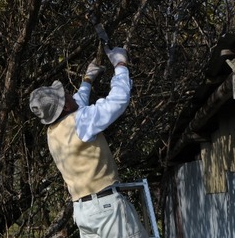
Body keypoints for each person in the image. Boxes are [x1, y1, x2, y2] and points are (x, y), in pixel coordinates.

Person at [29, 45, 148, 238]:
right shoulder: (81, 120)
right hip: (107, 209)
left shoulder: (53, 132)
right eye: (66, 94)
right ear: (66, 106)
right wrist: (120, 64)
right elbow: (118, 100)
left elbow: (77, 101)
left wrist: (88, 79)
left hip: (83, 212)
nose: (69, 93)